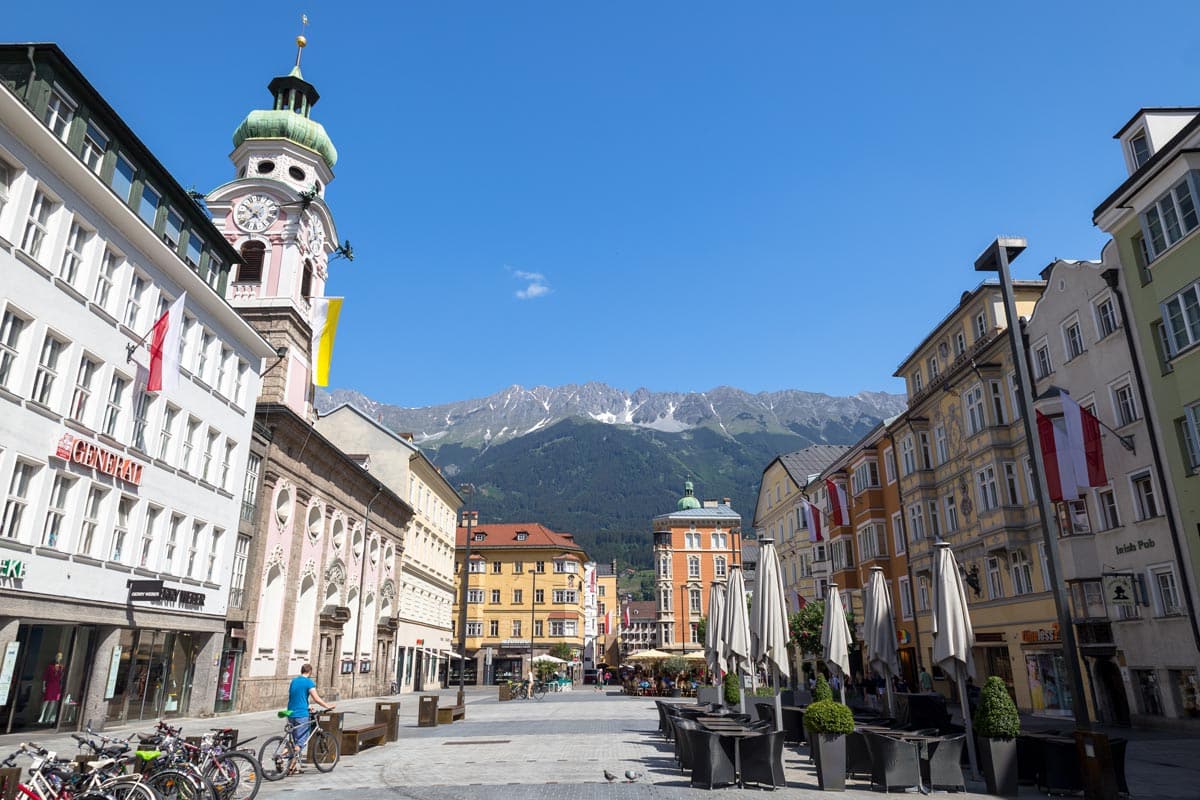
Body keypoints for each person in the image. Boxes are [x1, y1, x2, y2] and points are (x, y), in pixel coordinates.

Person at [288, 664, 334, 773]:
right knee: (301, 742)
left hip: (290, 713)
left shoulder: (294, 681)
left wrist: (308, 706)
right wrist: (328, 706)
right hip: (301, 714)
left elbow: (295, 697)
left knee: (294, 741)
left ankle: (291, 765)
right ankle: (289, 767)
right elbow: (316, 698)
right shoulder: (309, 682)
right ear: (310, 672)